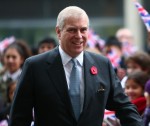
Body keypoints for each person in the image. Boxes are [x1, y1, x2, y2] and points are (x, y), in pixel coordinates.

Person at [9, 6, 143, 126]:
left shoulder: (103, 64)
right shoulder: (35, 66)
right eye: (72, 30)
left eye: (83, 30)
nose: (79, 36)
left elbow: (124, 107)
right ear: (58, 32)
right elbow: (19, 117)